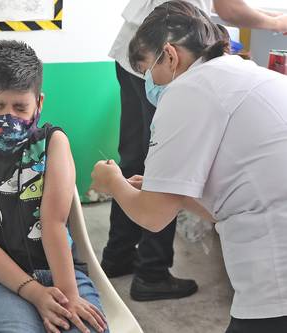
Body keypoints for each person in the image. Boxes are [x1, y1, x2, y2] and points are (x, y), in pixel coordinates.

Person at [92, 1, 287, 332]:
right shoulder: (244, 71)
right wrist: (176, 193)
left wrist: (112, 183)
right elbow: (226, 201)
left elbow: (153, 217)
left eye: (147, 72)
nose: (148, 85)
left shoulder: (186, 91)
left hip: (273, 264)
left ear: (169, 55)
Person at [0, 40, 109, 333]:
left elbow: (53, 224)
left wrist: (69, 297)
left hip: (63, 275)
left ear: (40, 103)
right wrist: (36, 294)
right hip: (0, 282)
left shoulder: (53, 143)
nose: (8, 117)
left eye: (20, 108)